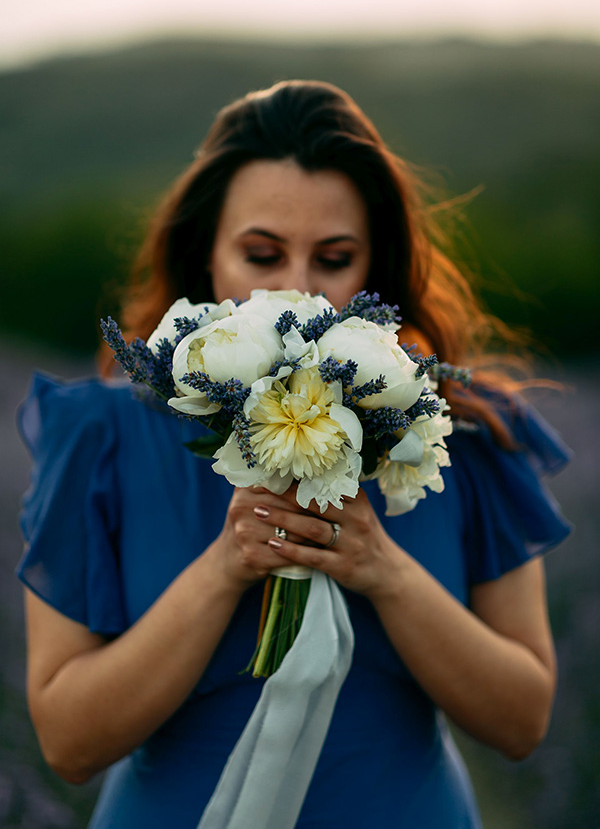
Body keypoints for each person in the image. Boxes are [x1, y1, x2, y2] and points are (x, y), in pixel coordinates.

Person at [17, 79, 571, 828]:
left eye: (335, 258)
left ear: (374, 267)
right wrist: (224, 568)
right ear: (206, 255)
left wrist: (386, 573)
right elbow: (69, 743)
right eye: (261, 253)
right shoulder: (104, 436)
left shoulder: (462, 432)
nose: (298, 291)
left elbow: (522, 720)